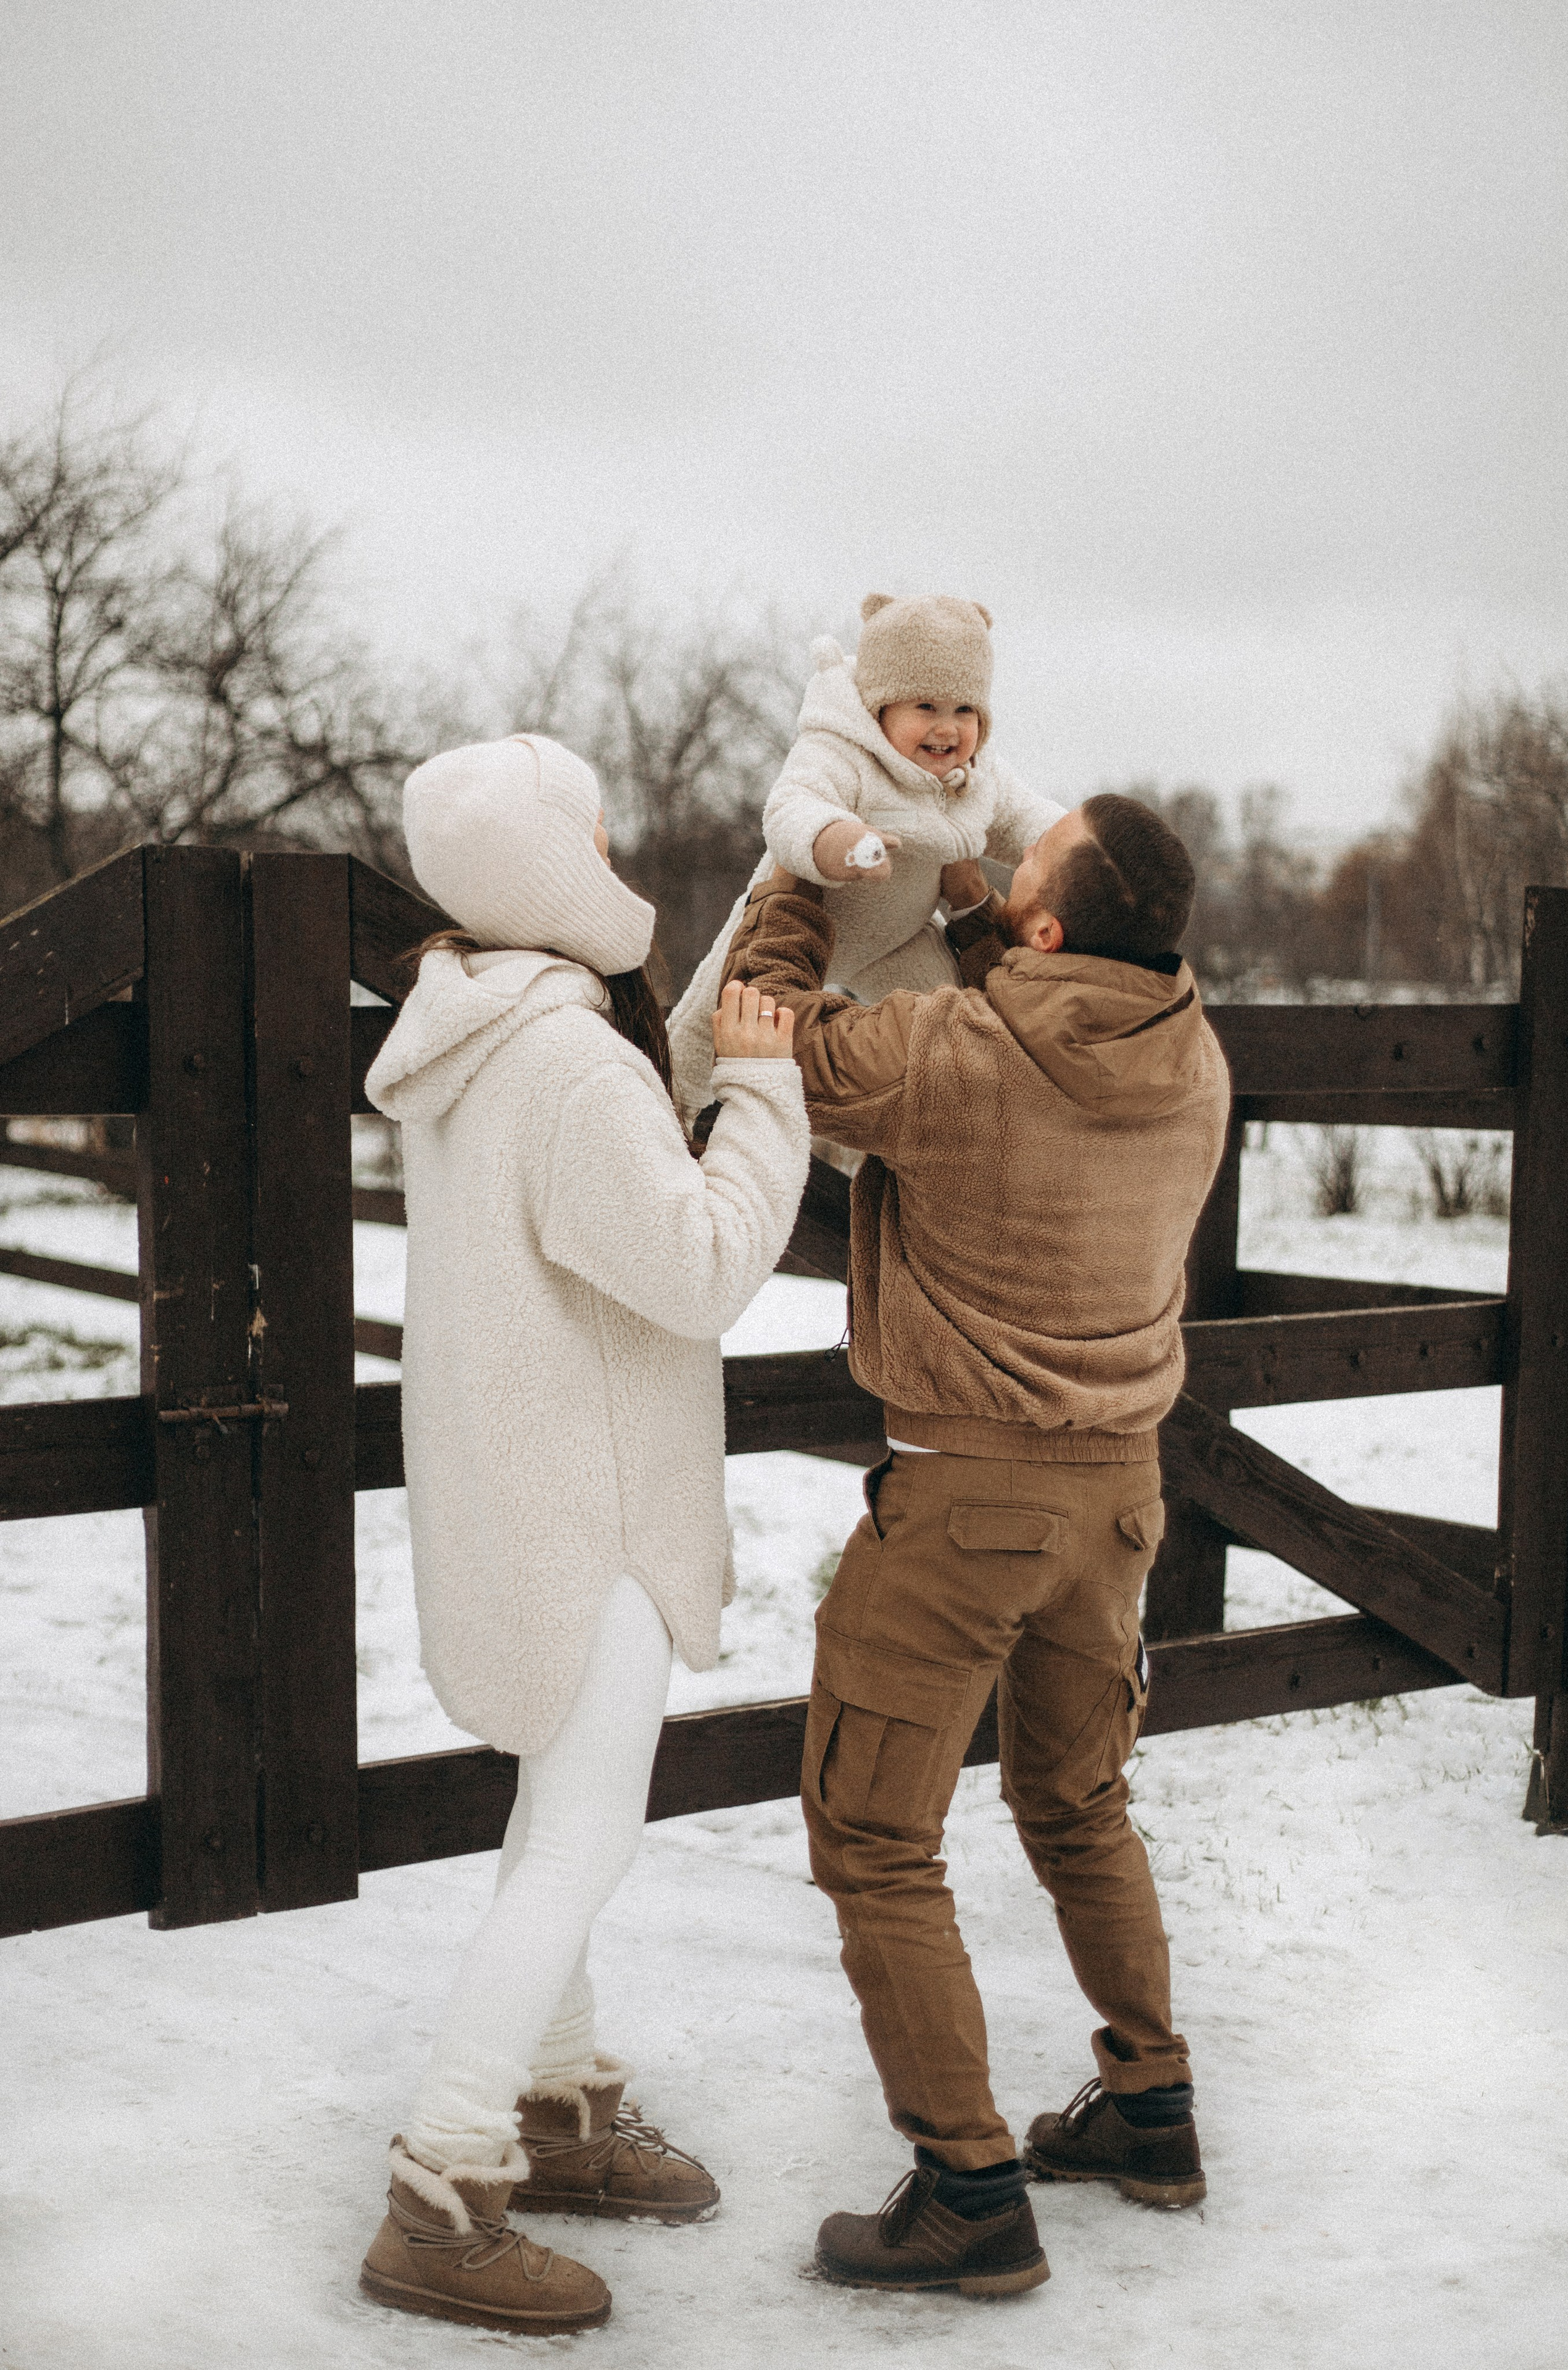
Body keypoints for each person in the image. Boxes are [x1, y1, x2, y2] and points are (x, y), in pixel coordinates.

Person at [720, 793, 1231, 2296]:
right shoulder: (1192, 1055)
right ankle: (1150, 2109)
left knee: (875, 1837)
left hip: (964, 1504)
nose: (1002, 877)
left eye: (1025, 872)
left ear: (1047, 925)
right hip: (1118, 1499)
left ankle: (966, 2188)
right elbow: (1048, 1019)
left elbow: (776, 1030)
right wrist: (968, 915)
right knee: (1080, 1803)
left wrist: (798, 878)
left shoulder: (951, 1056)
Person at [360, 733, 809, 2336]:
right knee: (582, 1839)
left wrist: (712, 1034)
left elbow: (617, 1179)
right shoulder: (562, 1062)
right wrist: (765, 1092)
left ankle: (554, 2107)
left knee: (555, 1817)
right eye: (595, 834)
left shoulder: (480, 1028)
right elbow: (699, 1266)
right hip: (589, 1508)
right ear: (550, 864)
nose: (615, 857)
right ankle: (441, 2184)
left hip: (520, 1486)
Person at [665, 592, 1063, 1126]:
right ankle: (670, 1105)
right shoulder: (842, 750)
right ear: (881, 707)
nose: (948, 728)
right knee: (712, 1018)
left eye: (964, 710)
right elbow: (791, 806)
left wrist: (1083, 848)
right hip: (801, 920)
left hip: (901, 938)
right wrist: (840, 841)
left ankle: (948, 1125)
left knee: (954, 1027)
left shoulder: (979, 775)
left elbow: (1027, 820)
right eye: (926, 708)